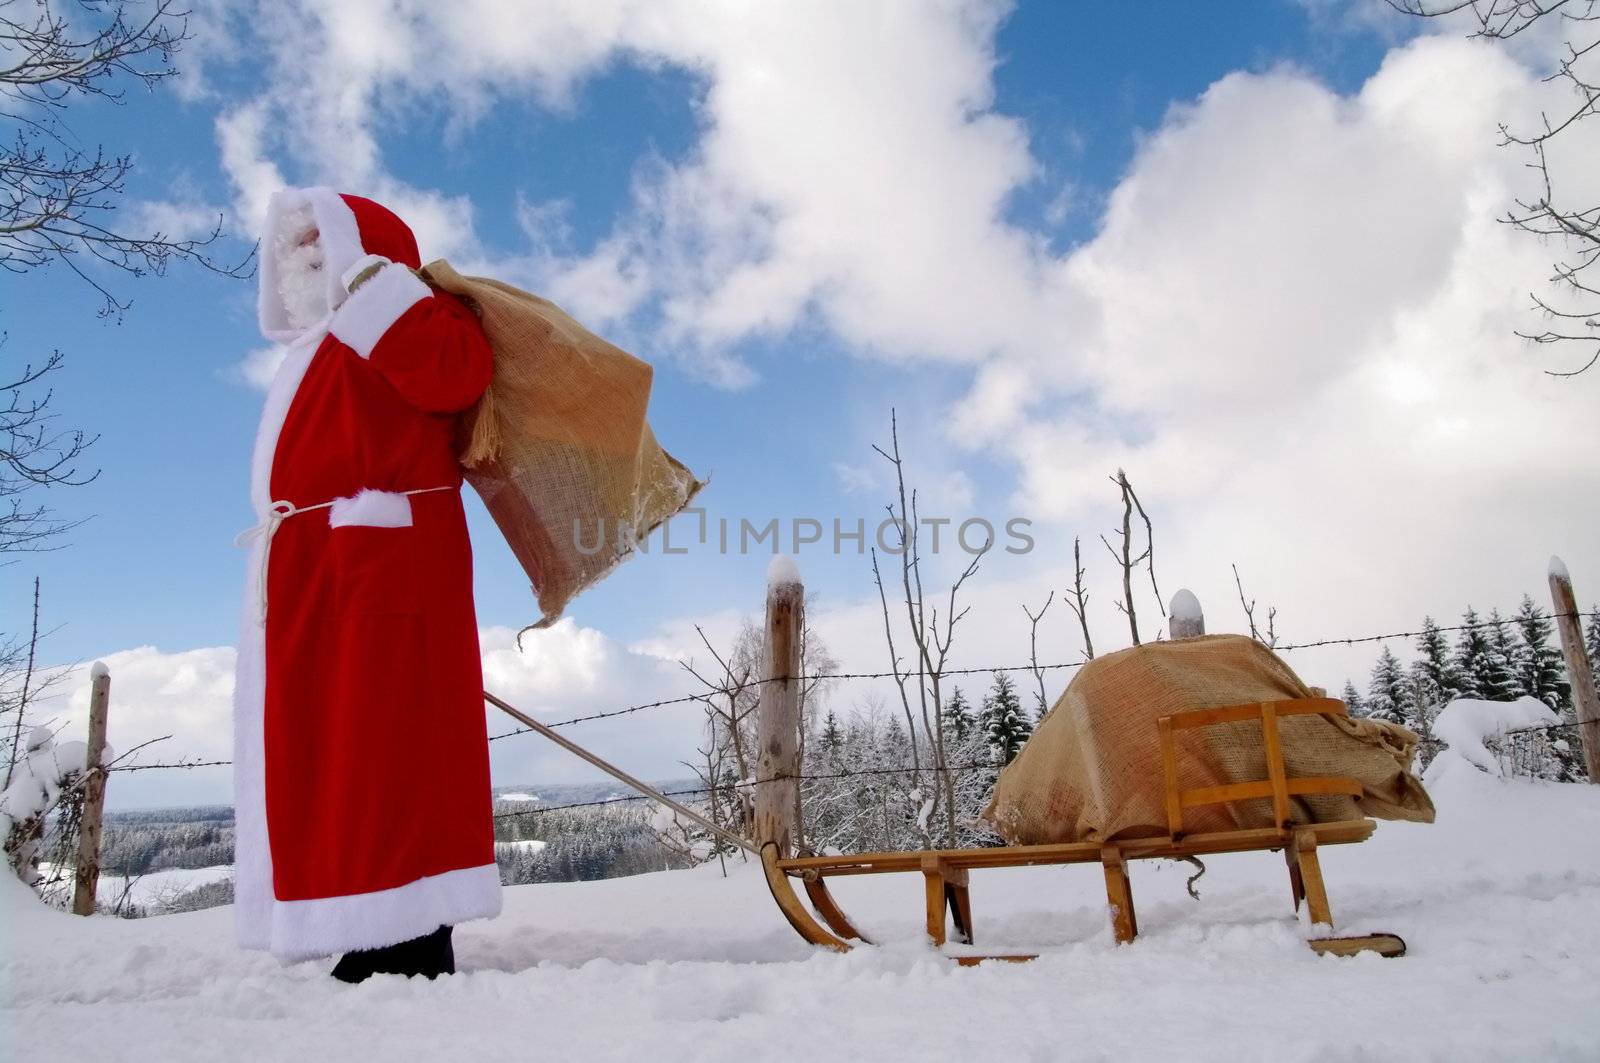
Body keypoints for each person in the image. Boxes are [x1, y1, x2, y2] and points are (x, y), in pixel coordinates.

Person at [233, 187, 500, 981]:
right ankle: (371, 918)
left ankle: (411, 935)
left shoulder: (411, 311)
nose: (311, 258)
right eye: (299, 249)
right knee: (332, 747)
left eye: (326, 242)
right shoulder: (321, 342)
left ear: (362, 244)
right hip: (318, 564)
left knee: (391, 741)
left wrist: (375, 287)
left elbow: (457, 376)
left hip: (382, 565)